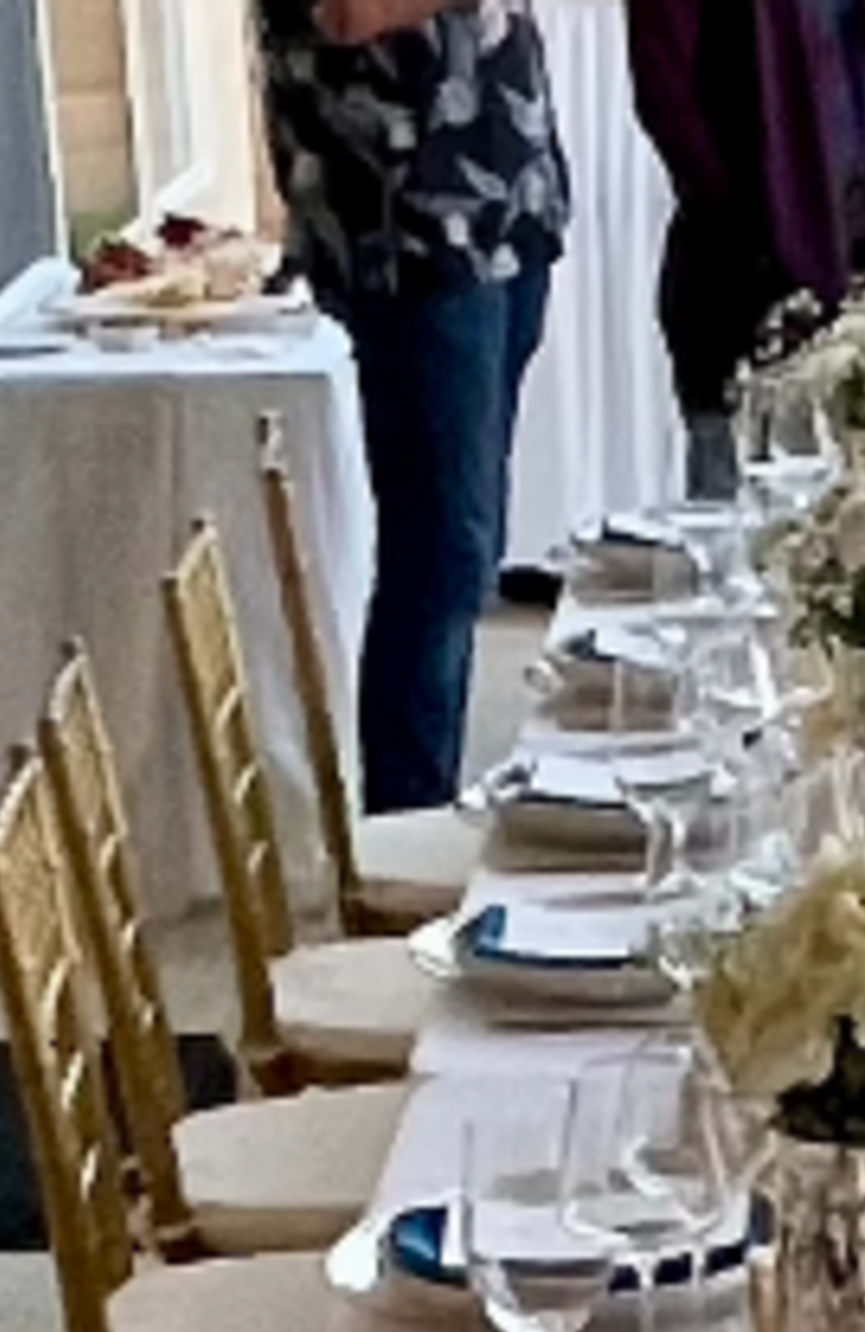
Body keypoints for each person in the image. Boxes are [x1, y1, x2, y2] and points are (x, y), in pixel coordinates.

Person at [259, 0, 567, 815]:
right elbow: (346, 13)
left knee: (462, 551)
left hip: (499, 202)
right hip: (404, 228)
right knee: (438, 557)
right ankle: (404, 838)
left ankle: (424, 811)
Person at [629, 0, 865, 500]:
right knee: (750, 521)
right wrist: (752, 230)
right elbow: (667, 91)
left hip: (859, 249)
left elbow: (839, 56)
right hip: (749, 279)